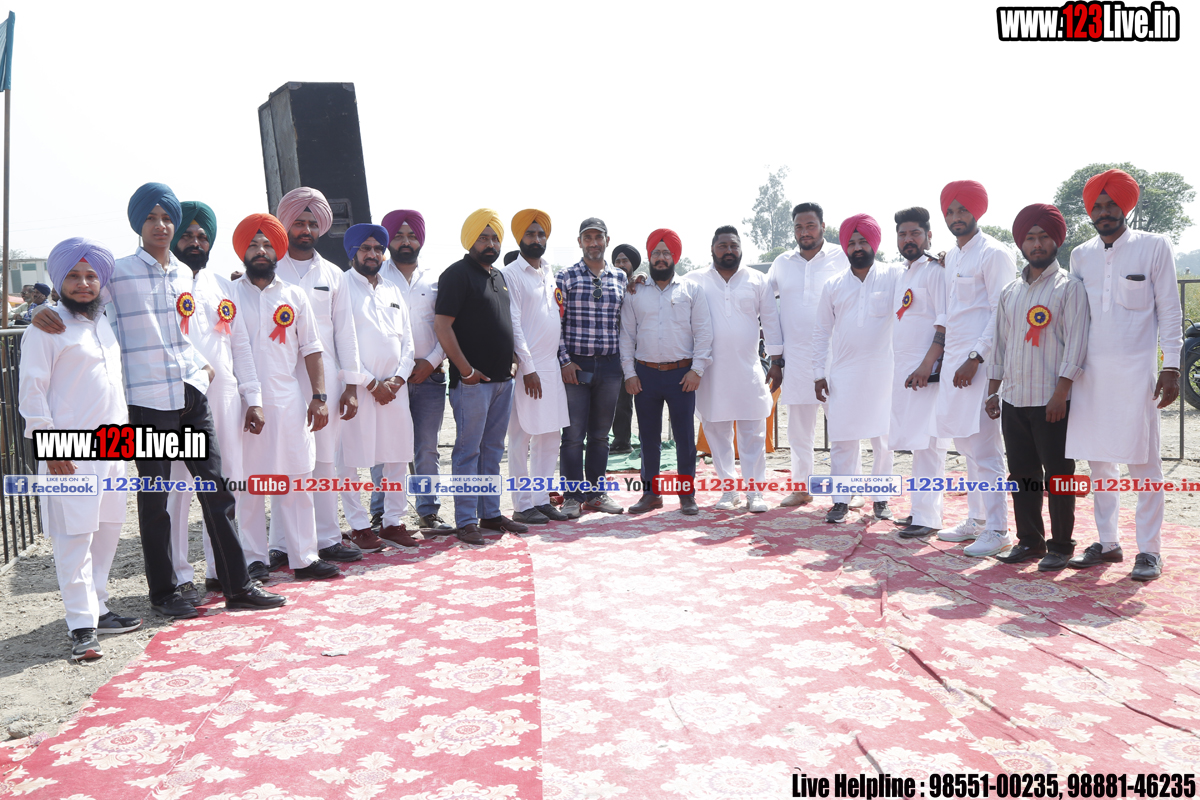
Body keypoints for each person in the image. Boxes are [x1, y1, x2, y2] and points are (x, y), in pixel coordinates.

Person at [31, 183, 285, 616]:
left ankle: (238, 586)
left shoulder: (185, 275)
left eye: (167, 218)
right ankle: (165, 593)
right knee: (157, 500)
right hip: (147, 403)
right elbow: (79, 299)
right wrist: (44, 309)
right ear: (138, 224)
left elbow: (186, 333)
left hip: (192, 397)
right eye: (151, 218)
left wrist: (200, 367)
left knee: (218, 492)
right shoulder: (118, 273)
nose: (161, 225)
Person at [19, 239, 143, 661]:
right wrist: (49, 445)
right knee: (74, 538)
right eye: (74, 276)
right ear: (59, 281)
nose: (84, 283)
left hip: (114, 449)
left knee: (106, 531)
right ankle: (80, 626)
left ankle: (99, 608)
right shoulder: (45, 327)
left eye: (91, 276)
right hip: (69, 453)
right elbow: (31, 392)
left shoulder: (101, 322)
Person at [1064, 169, 1182, 581]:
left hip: (1137, 375)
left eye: (1111, 204)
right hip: (1091, 376)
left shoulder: (1153, 246)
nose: (1104, 212)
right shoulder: (1081, 255)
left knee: (1145, 465)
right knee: (1100, 465)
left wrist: (1171, 366)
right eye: (1097, 206)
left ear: (1125, 206)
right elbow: (1073, 317)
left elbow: (1170, 309)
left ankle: (1149, 550)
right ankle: (1108, 542)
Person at [229, 213, 338, 581]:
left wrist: (319, 396)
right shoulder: (228, 295)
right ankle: (253, 560)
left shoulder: (294, 295)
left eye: (267, 244)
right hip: (243, 405)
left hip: (289, 400)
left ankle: (304, 558)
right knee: (250, 484)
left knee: (297, 477)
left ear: (278, 251)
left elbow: (312, 348)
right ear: (242, 251)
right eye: (253, 244)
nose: (260, 250)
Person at [985, 204, 1089, 571]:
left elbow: (1076, 344)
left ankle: (1060, 545)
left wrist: (1061, 393)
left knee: (1059, 475)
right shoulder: (1010, 292)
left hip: (1052, 401)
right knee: (1022, 475)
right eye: (1030, 237)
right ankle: (1029, 541)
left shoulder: (1070, 288)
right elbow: (999, 344)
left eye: (1044, 236)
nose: (1037, 243)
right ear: (1021, 243)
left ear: (1056, 240)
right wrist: (993, 391)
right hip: (1013, 398)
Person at [165, 202, 257, 602]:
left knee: (224, 483)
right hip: (176, 399)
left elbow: (241, 346)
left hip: (224, 398)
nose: (195, 242)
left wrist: (253, 397)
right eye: (187, 235)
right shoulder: (162, 282)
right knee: (177, 489)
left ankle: (220, 570)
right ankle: (178, 575)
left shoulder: (223, 285)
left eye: (202, 236)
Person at [270, 187, 367, 561]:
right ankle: (281, 545)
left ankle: (328, 539)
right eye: (299, 222)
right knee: (285, 461)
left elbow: (346, 332)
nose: (306, 229)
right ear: (285, 224)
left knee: (325, 460)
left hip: (324, 381)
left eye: (313, 223)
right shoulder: (269, 269)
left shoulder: (333, 274)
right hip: (280, 379)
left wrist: (352, 385)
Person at [435, 209, 527, 543]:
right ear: (470, 240)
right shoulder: (456, 275)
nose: (490, 244)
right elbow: (442, 326)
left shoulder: (498, 276)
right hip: (472, 384)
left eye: (495, 238)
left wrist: (513, 361)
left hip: (503, 381)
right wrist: (466, 370)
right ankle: (465, 520)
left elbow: (503, 322)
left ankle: (489, 514)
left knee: (492, 450)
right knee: (467, 452)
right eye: (483, 238)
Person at [934, 180, 1015, 557]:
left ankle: (999, 529)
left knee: (985, 447)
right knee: (966, 445)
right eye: (950, 211)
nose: (956, 217)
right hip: (955, 364)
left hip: (981, 364)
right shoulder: (953, 256)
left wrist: (976, 357)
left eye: (962, 210)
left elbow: (1003, 310)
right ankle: (977, 520)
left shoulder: (994, 253)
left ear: (977, 211)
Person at [812, 215, 903, 523]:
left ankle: (881, 498)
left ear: (874, 243)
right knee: (842, 439)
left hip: (884, 372)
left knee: (884, 440)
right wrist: (818, 373)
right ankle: (841, 500)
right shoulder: (833, 285)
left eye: (863, 241)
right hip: (844, 374)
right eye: (851, 243)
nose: (857, 247)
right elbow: (821, 332)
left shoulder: (894, 275)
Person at [687, 225, 783, 513]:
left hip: (748, 369)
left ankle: (755, 492)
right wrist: (640, 279)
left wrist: (777, 360)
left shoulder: (757, 279)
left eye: (734, 246)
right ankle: (729, 490)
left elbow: (771, 321)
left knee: (753, 432)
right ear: (712, 249)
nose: (728, 251)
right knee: (717, 433)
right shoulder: (695, 280)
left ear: (740, 249)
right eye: (723, 246)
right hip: (711, 372)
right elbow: (668, 290)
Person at [369, 209, 451, 532]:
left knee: (426, 448)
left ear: (421, 240)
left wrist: (431, 360)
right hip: (389, 380)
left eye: (412, 236)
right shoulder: (374, 276)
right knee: (384, 448)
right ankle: (381, 512)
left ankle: (428, 511)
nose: (406, 242)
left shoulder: (436, 279)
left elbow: (447, 326)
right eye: (399, 236)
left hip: (430, 375)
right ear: (389, 241)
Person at [338, 224, 420, 548]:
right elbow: (339, 342)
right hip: (358, 388)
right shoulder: (342, 287)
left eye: (377, 249)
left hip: (395, 390)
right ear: (353, 252)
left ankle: (392, 522)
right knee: (350, 458)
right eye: (365, 248)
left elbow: (408, 342)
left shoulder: (393, 290)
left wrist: (398, 379)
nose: (372, 254)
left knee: (398, 454)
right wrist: (371, 382)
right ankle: (359, 526)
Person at [620, 229, 711, 515]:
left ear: (675, 257)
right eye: (656, 253)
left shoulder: (691, 290)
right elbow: (626, 335)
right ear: (649, 257)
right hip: (645, 375)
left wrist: (697, 370)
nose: (661, 258)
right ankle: (651, 494)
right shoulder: (635, 292)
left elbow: (704, 332)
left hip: (681, 375)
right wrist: (629, 373)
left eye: (666, 253)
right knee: (648, 438)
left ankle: (686, 495)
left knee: (684, 438)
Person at [767, 203, 849, 508]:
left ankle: (846, 491)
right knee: (799, 431)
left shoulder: (842, 257)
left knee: (843, 427)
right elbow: (760, 296)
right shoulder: (782, 262)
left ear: (823, 226)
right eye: (799, 227)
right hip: (797, 359)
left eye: (810, 226)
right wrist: (776, 359)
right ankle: (801, 487)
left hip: (836, 358)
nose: (804, 232)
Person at [502, 210, 571, 524]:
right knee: (522, 437)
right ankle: (522, 504)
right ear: (520, 237)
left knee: (550, 434)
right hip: (527, 369)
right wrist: (527, 367)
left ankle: (541, 499)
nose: (536, 239)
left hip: (551, 366)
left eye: (541, 234)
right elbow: (514, 323)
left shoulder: (548, 271)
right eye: (530, 234)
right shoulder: (511, 274)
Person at [556, 217, 628, 517]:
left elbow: (626, 321)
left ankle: (596, 494)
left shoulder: (620, 278)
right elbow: (556, 324)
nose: (594, 243)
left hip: (610, 366)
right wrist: (564, 361)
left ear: (607, 241)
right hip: (576, 365)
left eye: (599, 237)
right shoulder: (566, 277)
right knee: (573, 436)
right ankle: (572, 496)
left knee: (600, 435)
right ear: (580, 242)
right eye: (588, 237)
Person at [893, 208, 950, 539]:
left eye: (915, 233)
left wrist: (928, 363)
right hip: (907, 372)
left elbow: (944, 319)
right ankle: (920, 510)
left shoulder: (936, 271)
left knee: (930, 444)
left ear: (929, 236)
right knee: (918, 443)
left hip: (928, 371)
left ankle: (929, 517)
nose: (908, 239)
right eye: (902, 234)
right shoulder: (904, 273)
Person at [609, 243, 642, 455]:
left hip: (643, 349)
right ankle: (622, 441)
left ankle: (649, 440)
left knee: (645, 399)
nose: (621, 264)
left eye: (625, 260)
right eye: (617, 261)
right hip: (617, 349)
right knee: (621, 398)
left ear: (633, 264)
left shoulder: (642, 286)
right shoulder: (609, 284)